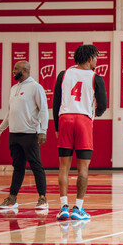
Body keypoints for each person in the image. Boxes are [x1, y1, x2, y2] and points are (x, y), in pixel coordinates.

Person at [53, 44, 107, 221]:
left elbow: (56, 102)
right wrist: (94, 114)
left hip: (65, 119)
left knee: (64, 167)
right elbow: (103, 105)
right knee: (83, 167)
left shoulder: (63, 74)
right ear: (90, 58)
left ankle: (63, 207)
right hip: (83, 120)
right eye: (96, 57)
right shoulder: (95, 77)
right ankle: (78, 208)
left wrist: (56, 127)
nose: (97, 61)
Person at [0, 61, 49, 210]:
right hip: (14, 135)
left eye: (16, 69)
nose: (13, 71)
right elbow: (9, 113)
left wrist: (43, 130)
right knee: (18, 167)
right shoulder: (13, 89)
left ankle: (42, 198)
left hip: (30, 134)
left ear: (25, 70)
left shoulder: (35, 87)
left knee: (36, 166)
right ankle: (12, 198)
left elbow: (43, 109)